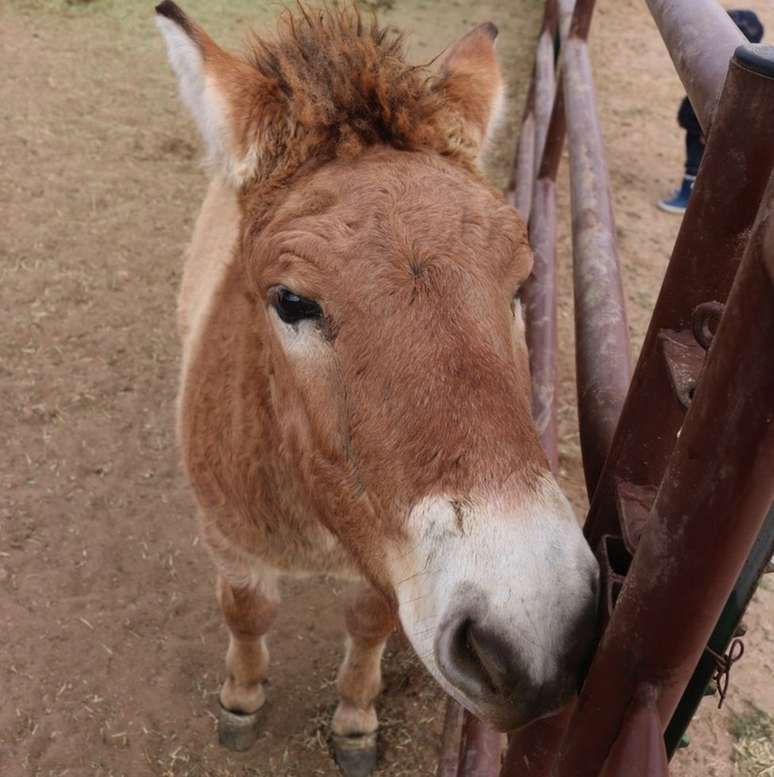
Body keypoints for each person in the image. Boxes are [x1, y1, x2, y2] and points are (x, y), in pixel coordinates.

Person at [657, 9, 764, 214]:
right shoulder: (735, 69)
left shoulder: (731, 72)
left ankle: (689, 195)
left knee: (698, 160)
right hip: (701, 117)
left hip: (703, 124)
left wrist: (709, 129)